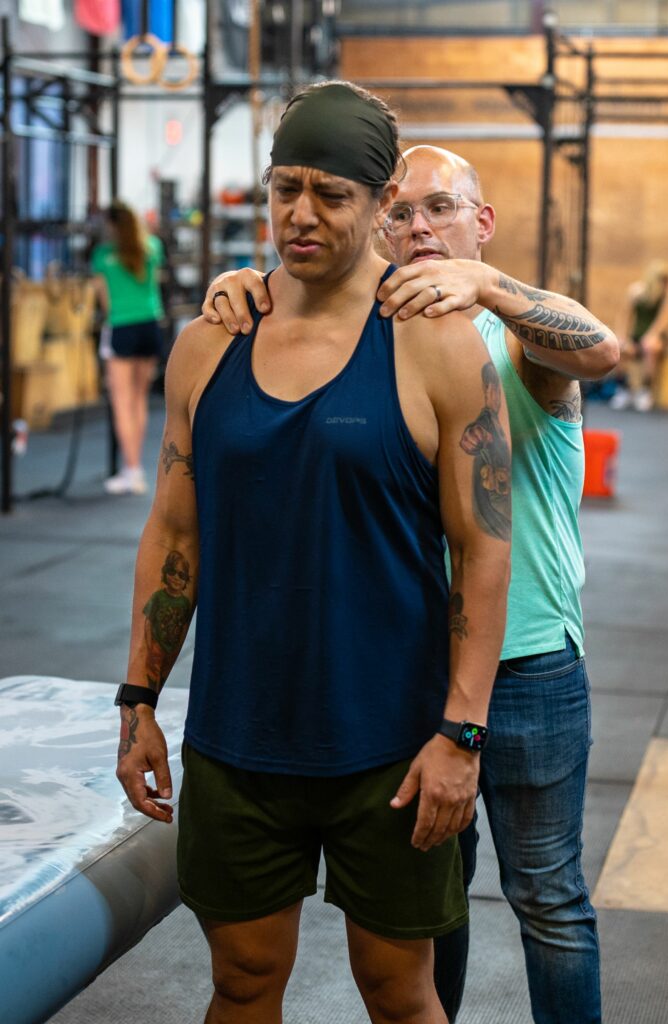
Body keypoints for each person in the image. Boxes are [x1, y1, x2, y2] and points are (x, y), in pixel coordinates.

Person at [115, 85, 512, 1024]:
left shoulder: (437, 346)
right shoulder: (208, 345)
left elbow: (483, 554)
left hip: (391, 747)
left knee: (399, 993)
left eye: (329, 193)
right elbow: (174, 535)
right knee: (242, 984)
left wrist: (462, 734)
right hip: (238, 737)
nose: (300, 213)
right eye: (283, 187)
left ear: (380, 204)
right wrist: (137, 700)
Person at [202, 143, 620, 1024]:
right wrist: (250, 281)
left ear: (482, 221)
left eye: (440, 207)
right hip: (417, 676)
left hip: (531, 668)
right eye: (401, 212)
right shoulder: (384, 336)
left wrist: (492, 289)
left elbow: (603, 349)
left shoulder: (518, 336)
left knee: (546, 898)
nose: (419, 227)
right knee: (431, 909)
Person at [92, 200, 165, 494]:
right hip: (149, 325)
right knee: (138, 400)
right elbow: (155, 283)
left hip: (121, 326)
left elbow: (104, 299)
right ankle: (134, 470)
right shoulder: (153, 247)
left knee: (122, 402)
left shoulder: (103, 255)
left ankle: (131, 470)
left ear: (111, 226)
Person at [610, 259, 668, 412]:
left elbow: (662, 320)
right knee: (619, 346)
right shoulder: (636, 291)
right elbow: (624, 316)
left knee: (649, 346)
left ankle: (644, 391)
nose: (666, 283)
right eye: (662, 279)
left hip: (657, 336)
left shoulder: (667, 294)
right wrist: (622, 337)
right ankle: (622, 389)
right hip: (637, 335)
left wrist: (651, 336)